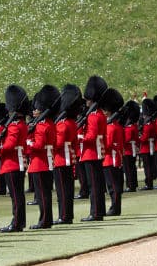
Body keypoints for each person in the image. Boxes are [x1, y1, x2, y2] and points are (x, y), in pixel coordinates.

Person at [0, 85, 29, 232]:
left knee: (16, 196)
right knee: (18, 196)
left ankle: (16, 223)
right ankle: (19, 222)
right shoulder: (21, 124)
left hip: (12, 163)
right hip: (17, 162)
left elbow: (9, 145)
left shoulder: (15, 126)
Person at [27, 86, 58, 230]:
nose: (33, 111)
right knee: (46, 194)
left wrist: (27, 142)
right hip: (48, 162)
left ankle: (44, 221)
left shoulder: (40, 126)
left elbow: (38, 146)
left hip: (39, 163)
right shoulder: (50, 124)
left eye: (36, 109)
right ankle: (47, 219)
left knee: (42, 195)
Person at [79, 76, 108, 222]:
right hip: (97, 152)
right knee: (97, 184)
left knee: (94, 186)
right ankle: (99, 211)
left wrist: (78, 137)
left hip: (91, 153)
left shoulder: (93, 116)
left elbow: (90, 136)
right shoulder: (100, 114)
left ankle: (95, 212)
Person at [53, 85, 82, 225]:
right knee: (67, 190)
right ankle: (67, 215)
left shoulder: (63, 124)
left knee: (62, 191)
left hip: (61, 159)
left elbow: (57, 144)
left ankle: (64, 216)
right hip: (68, 158)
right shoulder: (71, 122)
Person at [101, 88, 125, 216]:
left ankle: (115, 208)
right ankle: (115, 207)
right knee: (114, 185)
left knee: (113, 186)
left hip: (110, 159)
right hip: (115, 158)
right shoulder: (116, 125)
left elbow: (107, 144)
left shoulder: (110, 127)